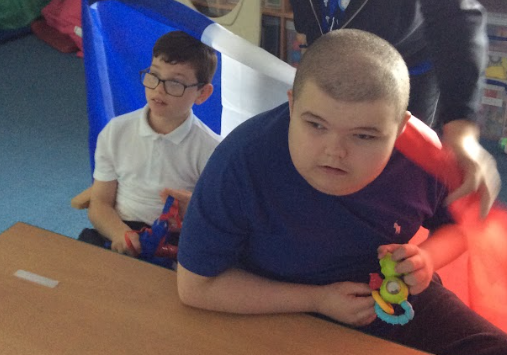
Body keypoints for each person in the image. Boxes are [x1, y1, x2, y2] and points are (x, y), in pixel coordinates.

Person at [176, 29, 507, 355]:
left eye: (363, 136)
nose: (334, 152)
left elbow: (460, 225)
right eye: (316, 125)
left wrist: (428, 258)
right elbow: (195, 287)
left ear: (401, 129)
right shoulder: (240, 162)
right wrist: (317, 299)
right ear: (292, 105)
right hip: (269, 304)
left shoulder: (423, 157)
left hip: (389, 298)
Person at [288, 0, 501, 219]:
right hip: (332, 59)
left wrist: (461, 132)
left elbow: (455, 18)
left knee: (400, 172)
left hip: (405, 71)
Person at [78, 31, 221, 255]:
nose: (158, 89)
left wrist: (194, 206)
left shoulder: (211, 148)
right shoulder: (116, 131)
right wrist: (119, 233)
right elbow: (100, 204)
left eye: (175, 83)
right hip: (122, 226)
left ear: (202, 93)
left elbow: (219, 215)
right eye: (153, 75)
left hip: (179, 238)